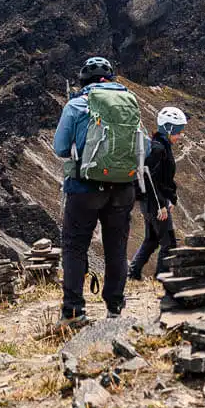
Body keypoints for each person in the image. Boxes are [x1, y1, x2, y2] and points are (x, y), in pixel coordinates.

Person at [52, 56, 143, 325]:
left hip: (84, 187)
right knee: (116, 247)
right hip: (123, 188)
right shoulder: (130, 103)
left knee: (74, 246)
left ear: (84, 81)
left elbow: (59, 148)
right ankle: (115, 307)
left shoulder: (76, 104)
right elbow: (144, 147)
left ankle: (73, 311)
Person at [129, 105, 187, 281]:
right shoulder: (158, 149)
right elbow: (152, 179)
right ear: (168, 128)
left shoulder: (160, 146)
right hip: (155, 203)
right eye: (178, 131)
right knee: (169, 243)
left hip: (150, 202)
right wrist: (161, 205)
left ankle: (133, 273)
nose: (180, 135)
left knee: (152, 239)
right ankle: (162, 279)